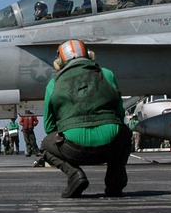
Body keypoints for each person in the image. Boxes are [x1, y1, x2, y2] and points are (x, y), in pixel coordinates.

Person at [38, 40, 132, 199]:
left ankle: (74, 174)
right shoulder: (107, 74)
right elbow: (120, 114)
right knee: (125, 133)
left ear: (59, 63)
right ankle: (115, 183)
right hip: (111, 145)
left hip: (74, 149)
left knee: (46, 145)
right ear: (90, 56)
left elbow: (48, 126)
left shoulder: (53, 84)